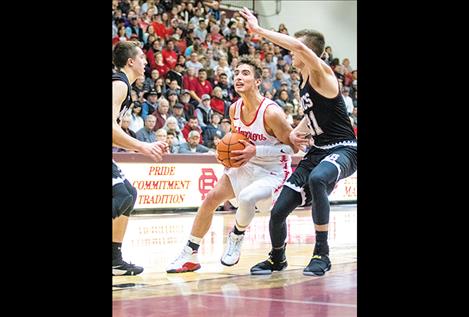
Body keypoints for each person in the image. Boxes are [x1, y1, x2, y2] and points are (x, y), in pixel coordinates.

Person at [241, 7, 357, 277]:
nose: (291, 53)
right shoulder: (304, 81)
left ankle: (321, 254)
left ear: (308, 52)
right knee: (279, 210)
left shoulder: (322, 73)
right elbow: (312, 115)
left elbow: (297, 46)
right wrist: (295, 131)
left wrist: (258, 30)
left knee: (318, 179)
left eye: (296, 49)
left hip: (344, 147)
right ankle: (277, 258)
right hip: (317, 150)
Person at [166, 56, 298, 273]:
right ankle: (189, 255)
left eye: (245, 73)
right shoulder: (234, 109)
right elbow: (237, 141)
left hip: (272, 171)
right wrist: (225, 155)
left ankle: (237, 235)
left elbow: (293, 149)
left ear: (257, 81)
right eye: (236, 73)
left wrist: (257, 151)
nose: (238, 77)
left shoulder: (272, 113)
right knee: (210, 199)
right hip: (245, 165)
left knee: (254, 202)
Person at [112, 41, 167, 276]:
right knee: (121, 195)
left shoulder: (125, 87)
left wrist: (137, 147)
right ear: (131, 61)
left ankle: (114, 260)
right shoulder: (119, 84)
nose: (146, 62)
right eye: (142, 58)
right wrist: (142, 146)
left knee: (129, 194)